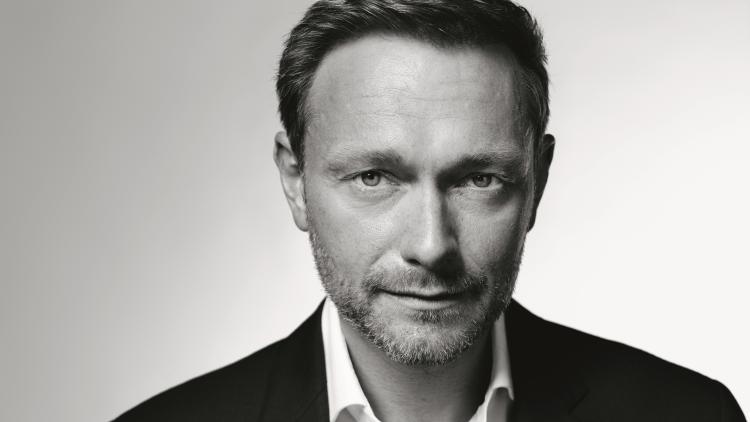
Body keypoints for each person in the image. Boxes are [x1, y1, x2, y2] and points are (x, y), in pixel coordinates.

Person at [114, 1, 745, 421]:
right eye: (373, 177)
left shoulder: (689, 415)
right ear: (296, 182)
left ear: (538, 182)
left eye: (477, 179)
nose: (430, 244)